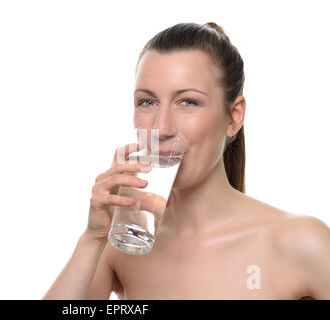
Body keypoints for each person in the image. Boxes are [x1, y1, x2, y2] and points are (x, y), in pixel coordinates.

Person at [42, 22, 330, 300]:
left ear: (234, 116)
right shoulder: (123, 244)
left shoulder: (301, 242)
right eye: (147, 101)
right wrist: (92, 239)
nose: (162, 127)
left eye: (188, 102)